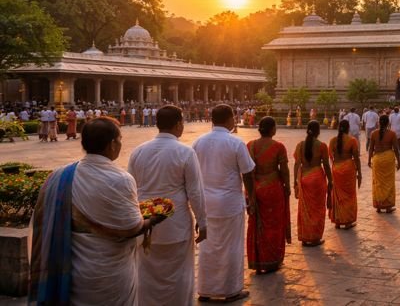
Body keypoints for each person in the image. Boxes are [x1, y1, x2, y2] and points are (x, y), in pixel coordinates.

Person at [30, 117, 163, 305]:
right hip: (110, 272)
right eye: (120, 139)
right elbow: (132, 227)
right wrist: (154, 219)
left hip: (75, 268)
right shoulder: (121, 179)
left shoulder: (60, 175)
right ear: (112, 144)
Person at [128, 105, 207, 305]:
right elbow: (195, 192)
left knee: (147, 275)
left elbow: (131, 191)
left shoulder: (138, 152)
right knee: (179, 276)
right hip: (176, 223)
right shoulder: (185, 152)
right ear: (179, 123)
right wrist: (202, 222)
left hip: (145, 224)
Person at [192, 104, 255, 302]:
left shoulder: (198, 142)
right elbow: (248, 173)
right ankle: (230, 290)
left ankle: (206, 289)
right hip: (229, 202)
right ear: (229, 119)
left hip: (206, 203)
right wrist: (251, 198)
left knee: (208, 247)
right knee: (231, 247)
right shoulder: (235, 143)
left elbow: (193, 177)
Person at [246, 116, 291, 273]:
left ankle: (258, 260)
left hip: (255, 189)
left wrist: (249, 193)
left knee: (256, 223)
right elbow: (284, 170)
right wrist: (287, 186)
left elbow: (247, 171)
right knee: (274, 224)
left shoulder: (250, 145)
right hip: (273, 189)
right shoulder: (278, 147)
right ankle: (272, 258)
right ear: (272, 129)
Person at [293, 121, 332, 246]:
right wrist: (331, 180)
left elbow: (296, 164)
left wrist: (295, 180)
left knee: (304, 209)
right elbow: (326, 165)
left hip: (304, 178)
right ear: (318, 131)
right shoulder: (321, 146)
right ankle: (314, 237)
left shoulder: (300, 145)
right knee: (317, 209)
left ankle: (305, 236)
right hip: (317, 179)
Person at [328, 119, 361, 229]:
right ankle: (347, 221)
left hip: (336, 169)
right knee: (349, 195)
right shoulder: (352, 140)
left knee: (337, 196)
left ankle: (338, 220)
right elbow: (356, 158)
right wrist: (359, 173)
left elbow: (331, 156)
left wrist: (336, 166)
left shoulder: (333, 140)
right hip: (348, 169)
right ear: (348, 128)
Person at [368, 114, 400, 212]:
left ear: (379, 122)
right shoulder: (392, 134)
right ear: (388, 123)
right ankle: (387, 206)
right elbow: (395, 149)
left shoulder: (373, 133)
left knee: (378, 183)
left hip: (377, 159)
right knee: (389, 183)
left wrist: (369, 160)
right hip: (388, 159)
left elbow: (371, 149)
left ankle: (378, 205)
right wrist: (398, 161)